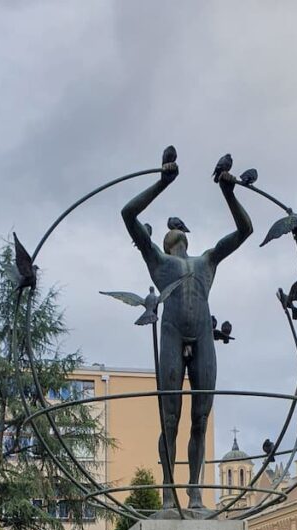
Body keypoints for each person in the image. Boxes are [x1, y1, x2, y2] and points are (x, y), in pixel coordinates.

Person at [122, 153, 253, 511]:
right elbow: (127, 215)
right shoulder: (158, 262)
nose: (175, 235)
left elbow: (245, 231)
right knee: (170, 418)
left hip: (203, 338)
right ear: (166, 243)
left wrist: (229, 191)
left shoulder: (207, 259)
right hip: (172, 334)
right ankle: (168, 492)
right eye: (171, 235)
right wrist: (163, 181)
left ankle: (195, 493)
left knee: (200, 417)